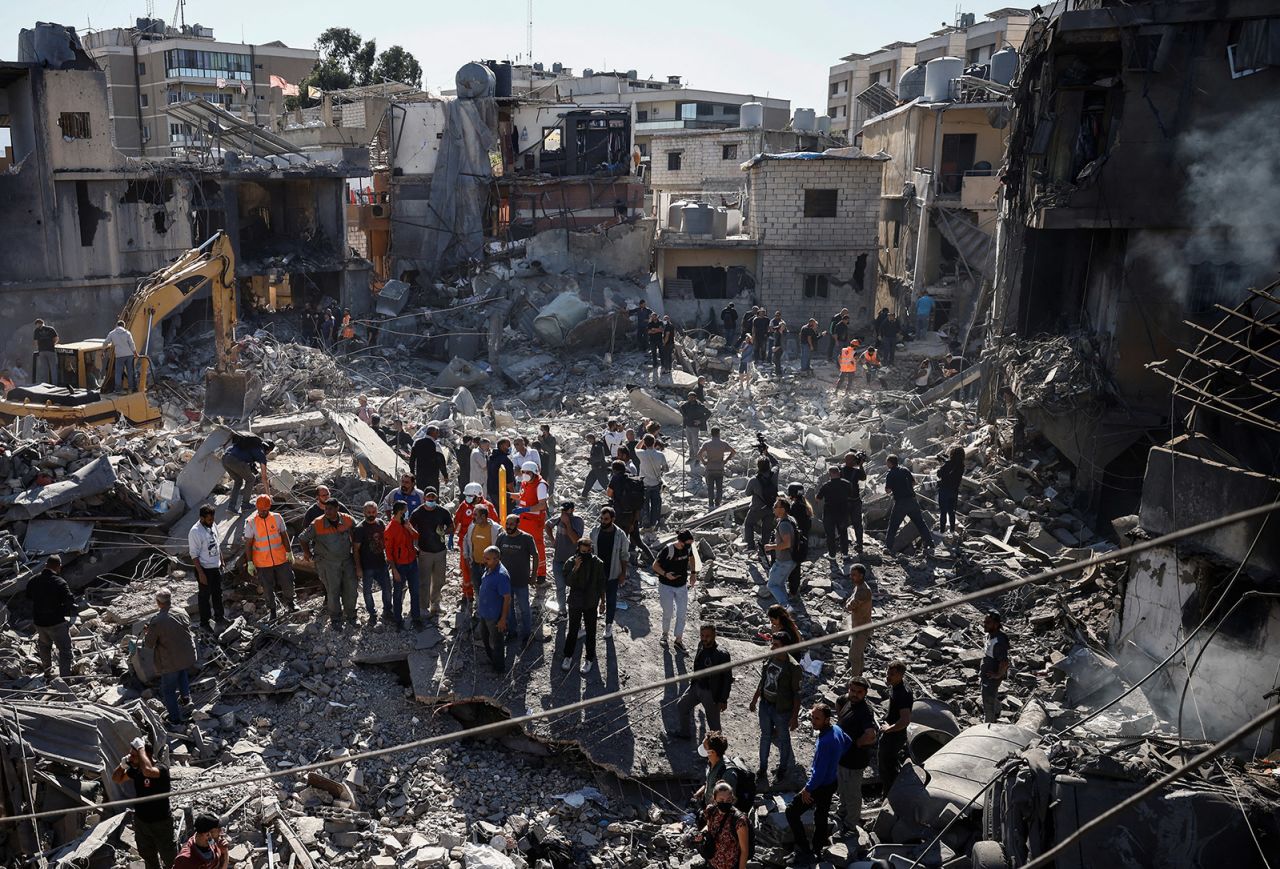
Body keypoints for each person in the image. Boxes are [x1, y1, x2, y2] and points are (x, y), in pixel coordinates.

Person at [785, 703, 850, 862]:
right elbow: (847, 743)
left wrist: (807, 789)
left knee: (791, 812)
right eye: (812, 717)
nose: (813, 721)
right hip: (831, 782)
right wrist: (835, 760)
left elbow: (818, 773)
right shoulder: (837, 730)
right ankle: (818, 848)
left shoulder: (825, 741)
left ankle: (803, 849)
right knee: (821, 815)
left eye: (817, 718)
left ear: (827, 719)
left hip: (819, 785)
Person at [112, 740, 175, 869]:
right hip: (142, 822)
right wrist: (122, 766)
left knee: (170, 858)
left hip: (161, 823)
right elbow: (116, 779)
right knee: (148, 857)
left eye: (134, 755)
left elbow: (148, 771)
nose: (131, 757)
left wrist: (140, 748)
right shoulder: (137, 770)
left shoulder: (161, 769)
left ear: (145, 754)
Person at [749, 631, 802, 785]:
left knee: (784, 740)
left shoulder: (793, 667)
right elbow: (763, 681)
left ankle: (782, 770)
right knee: (765, 736)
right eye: (772, 643)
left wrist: (794, 717)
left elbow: (797, 694)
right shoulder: (770, 658)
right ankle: (762, 769)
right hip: (765, 705)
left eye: (776, 645)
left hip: (782, 710)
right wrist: (754, 699)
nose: (772, 647)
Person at [300, 500, 360, 630]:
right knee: (333, 591)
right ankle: (336, 618)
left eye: (330, 509)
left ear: (337, 508)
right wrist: (307, 554)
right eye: (326, 509)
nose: (327, 511)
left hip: (346, 560)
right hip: (328, 563)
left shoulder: (348, 520)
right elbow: (302, 538)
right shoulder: (317, 523)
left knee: (351, 588)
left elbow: (357, 536)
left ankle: (351, 615)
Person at [145, 587, 197, 725]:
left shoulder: (157, 621)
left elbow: (149, 644)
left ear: (158, 602)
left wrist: (148, 631)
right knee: (182, 673)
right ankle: (186, 699)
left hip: (170, 661)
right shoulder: (182, 611)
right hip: (187, 655)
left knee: (168, 690)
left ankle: (174, 719)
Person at [835, 679, 878, 832]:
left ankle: (850, 823)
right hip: (843, 757)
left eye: (859, 692)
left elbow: (871, 735)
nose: (855, 694)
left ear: (865, 694)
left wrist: (858, 743)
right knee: (843, 787)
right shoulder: (848, 702)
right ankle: (842, 811)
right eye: (852, 691)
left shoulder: (864, 711)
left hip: (855, 760)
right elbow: (839, 707)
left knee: (852, 792)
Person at [675, 623, 732, 738]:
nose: (704, 638)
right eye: (702, 635)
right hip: (697, 687)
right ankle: (685, 734)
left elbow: (727, 679)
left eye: (707, 636)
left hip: (711, 694)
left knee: (714, 725)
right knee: (682, 706)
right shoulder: (701, 645)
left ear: (714, 635)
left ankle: (717, 750)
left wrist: (723, 700)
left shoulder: (722, 654)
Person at [243, 495, 296, 617]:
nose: (263, 512)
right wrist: (250, 562)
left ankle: (291, 603)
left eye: (265, 510)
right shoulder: (251, 522)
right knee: (267, 588)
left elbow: (284, 535)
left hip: (281, 558)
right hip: (262, 562)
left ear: (269, 507)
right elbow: (248, 544)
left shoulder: (277, 518)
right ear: (257, 508)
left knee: (288, 582)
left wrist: (289, 552)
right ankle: (272, 610)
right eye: (261, 510)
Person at [560, 534, 605, 674]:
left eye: (587, 552)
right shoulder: (571, 561)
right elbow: (567, 582)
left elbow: (601, 584)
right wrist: (576, 568)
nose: (584, 554)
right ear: (578, 549)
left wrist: (603, 602)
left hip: (591, 602)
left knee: (591, 631)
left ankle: (589, 659)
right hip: (575, 601)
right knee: (573, 630)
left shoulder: (598, 563)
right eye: (582, 551)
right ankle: (568, 656)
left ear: (591, 550)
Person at [409, 489, 453, 627]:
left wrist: (444, 532)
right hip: (424, 552)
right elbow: (409, 527)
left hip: (440, 551)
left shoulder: (443, 512)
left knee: (439, 580)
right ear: (424, 498)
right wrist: (415, 542)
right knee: (424, 581)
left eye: (433, 498)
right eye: (429, 497)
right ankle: (423, 607)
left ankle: (435, 604)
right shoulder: (417, 513)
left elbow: (451, 526)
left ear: (437, 498)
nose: (431, 500)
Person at [26, 554, 74, 679]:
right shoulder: (60, 582)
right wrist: (64, 611)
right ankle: (65, 678)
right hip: (56, 622)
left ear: (46, 565)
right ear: (59, 567)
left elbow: (28, 597)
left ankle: (47, 673)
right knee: (64, 650)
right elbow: (70, 601)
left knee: (44, 647)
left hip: (39, 622)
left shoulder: (33, 580)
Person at [591, 505, 630, 638]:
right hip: (597, 573)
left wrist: (623, 573)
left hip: (613, 573)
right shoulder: (595, 531)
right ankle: (591, 623)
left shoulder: (620, 535)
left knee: (611, 600)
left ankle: (608, 625)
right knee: (593, 599)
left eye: (606, 519)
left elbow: (624, 556)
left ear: (612, 519)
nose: (603, 521)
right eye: (601, 518)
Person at [497, 513, 538, 641]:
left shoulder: (526, 538)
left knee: (524, 608)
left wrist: (534, 575)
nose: (508, 527)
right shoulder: (502, 537)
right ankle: (512, 631)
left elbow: (535, 556)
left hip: (521, 580)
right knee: (508, 609)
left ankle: (527, 633)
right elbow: (496, 554)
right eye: (507, 524)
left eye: (511, 524)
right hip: (505, 581)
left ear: (518, 524)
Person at [654, 529, 697, 649]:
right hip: (666, 586)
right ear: (680, 541)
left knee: (682, 613)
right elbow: (655, 566)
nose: (690, 545)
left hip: (681, 586)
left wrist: (693, 573)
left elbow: (692, 558)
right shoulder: (669, 549)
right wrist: (666, 574)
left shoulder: (688, 548)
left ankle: (678, 639)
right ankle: (665, 635)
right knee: (668, 612)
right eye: (688, 543)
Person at [353, 501, 392, 628]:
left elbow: (386, 542)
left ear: (377, 512)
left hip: (381, 563)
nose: (371, 515)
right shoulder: (359, 529)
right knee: (367, 592)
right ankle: (372, 614)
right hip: (367, 566)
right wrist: (358, 567)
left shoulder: (381, 524)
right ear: (364, 513)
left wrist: (390, 559)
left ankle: (387, 611)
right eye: (369, 512)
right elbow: (356, 550)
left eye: (373, 512)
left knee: (387, 588)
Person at [884, 455, 934, 555]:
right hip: (912, 501)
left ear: (890, 463)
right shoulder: (905, 470)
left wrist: (894, 488)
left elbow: (888, 490)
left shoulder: (890, 474)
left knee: (893, 525)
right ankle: (930, 544)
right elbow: (914, 482)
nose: (886, 464)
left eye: (887, 462)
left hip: (901, 503)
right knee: (920, 523)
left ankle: (888, 547)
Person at [454, 482, 495, 605]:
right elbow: (456, 520)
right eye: (467, 496)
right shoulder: (464, 506)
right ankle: (467, 594)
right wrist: (452, 535)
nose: (468, 499)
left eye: (470, 497)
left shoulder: (488, 507)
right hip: (465, 542)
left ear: (478, 496)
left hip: (482, 543)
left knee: (484, 568)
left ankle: (484, 594)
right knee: (466, 568)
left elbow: (495, 525)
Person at [187, 504, 225, 630]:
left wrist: (221, 560)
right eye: (209, 519)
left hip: (215, 567)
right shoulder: (195, 532)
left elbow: (217, 543)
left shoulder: (213, 525)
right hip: (204, 570)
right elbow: (194, 555)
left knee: (217, 594)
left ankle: (220, 617)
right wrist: (201, 573)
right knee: (204, 597)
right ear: (202, 518)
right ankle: (205, 622)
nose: (212, 522)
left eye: (212, 519)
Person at [382, 501, 419, 630]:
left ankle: (416, 618)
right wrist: (394, 571)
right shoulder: (390, 529)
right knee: (398, 593)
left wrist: (409, 527)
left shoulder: (406, 524)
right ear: (400, 512)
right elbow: (389, 552)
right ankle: (398, 620)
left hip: (412, 563)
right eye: (405, 510)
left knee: (415, 592)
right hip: (400, 566)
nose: (407, 512)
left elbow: (416, 536)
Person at [878, 661, 914, 791]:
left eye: (892, 674)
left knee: (887, 766)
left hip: (894, 735)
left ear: (901, 675)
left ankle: (889, 796)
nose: (888, 676)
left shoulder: (903, 693)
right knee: (887, 764)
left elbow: (905, 720)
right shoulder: (896, 685)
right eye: (888, 672)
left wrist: (889, 729)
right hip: (892, 729)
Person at [512, 460, 550, 581]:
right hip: (524, 520)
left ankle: (541, 574)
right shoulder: (525, 482)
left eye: (528, 472)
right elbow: (522, 495)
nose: (525, 474)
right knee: (522, 546)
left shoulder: (541, 485)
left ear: (534, 473)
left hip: (534, 521)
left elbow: (542, 505)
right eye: (523, 472)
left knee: (537, 547)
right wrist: (508, 494)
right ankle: (524, 571)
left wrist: (524, 509)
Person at [477, 546, 511, 672]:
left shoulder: (502, 575)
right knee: (485, 638)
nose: (484, 560)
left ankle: (499, 669)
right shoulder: (489, 568)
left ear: (497, 559)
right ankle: (492, 659)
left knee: (497, 643)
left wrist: (503, 619)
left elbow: (507, 598)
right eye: (484, 557)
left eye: (487, 558)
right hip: (484, 614)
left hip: (494, 616)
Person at [701, 781, 750, 869]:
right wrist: (702, 834)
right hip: (712, 862)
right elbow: (709, 827)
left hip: (729, 865)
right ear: (715, 799)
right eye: (721, 800)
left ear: (732, 798)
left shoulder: (739, 820)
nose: (725, 802)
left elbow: (744, 850)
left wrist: (742, 867)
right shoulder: (711, 811)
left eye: (728, 800)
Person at [463, 506, 501, 615]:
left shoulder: (495, 529)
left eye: (475, 514)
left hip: (489, 567)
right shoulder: (472, 526)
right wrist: (466, 556)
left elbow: (500, 549)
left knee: (490, 590)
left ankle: (492, 612)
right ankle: (481, 609)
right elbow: (466, 540)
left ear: (483, 516)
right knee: (477, 588)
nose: (472, 516)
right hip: (475, 564)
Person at [549, 501, 585, 614]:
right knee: (560, 588)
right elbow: (547, 525)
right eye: (562, 510)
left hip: (573, 562)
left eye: (566, 510)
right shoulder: (559, 518)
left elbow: (575, 539)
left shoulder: (578, 521)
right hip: (558, 560)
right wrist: (552, 539)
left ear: (572, 510)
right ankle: (562, 611)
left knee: (574, 588)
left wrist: (568, 524)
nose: (563, 512)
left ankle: (575, 612)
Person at [220, 435, 272, 514]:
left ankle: (231, 507)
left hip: (225, 459)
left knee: (238, 481)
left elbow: (244, 457)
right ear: (268, 450)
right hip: (234, 460)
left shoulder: (250, 445)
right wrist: (268, 495)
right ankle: (245, 504)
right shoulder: (261, 454)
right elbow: (264, 477)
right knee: (251, 479)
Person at [743, 453, 779, 554]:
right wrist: (767, 453)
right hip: (772, 507)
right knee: (766, 528)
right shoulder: (774, 474)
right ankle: (764, 548)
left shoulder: (754, 479)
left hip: (757, 508)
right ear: (769, 465)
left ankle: (750, 546)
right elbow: (776, 464)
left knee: (749, 524)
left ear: (758, 466)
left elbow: (747, 493)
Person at [816, 466, 854, 561]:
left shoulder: (826, 485)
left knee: (830, 535)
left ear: (829, 474)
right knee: (843, 533)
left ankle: (832, 555)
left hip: (829, 513)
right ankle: (845, 554)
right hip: (842, 512)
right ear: (839, 473)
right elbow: (851, 495)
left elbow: (818, 498)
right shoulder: (847, 484)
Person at [763, 499, 795, 608]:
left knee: (771, 585)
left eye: (775, 506)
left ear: (782, 509)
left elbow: (787, 544)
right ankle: (786, 607)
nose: (773, 509)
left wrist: (771, 546)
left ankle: (786, 607)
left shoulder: (784, 525)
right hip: (789, 559)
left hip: (784, 560)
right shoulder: (789, 520)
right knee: (779, 584)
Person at [981, 612, 1011, 723]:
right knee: (988, 697)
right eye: (984, 622)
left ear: (996, 624)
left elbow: (1004, 661)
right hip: (987, 674)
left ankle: (988, 726)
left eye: (988, 623)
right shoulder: (990, 635)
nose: (985, 625)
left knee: (988, 702)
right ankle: (995, 713)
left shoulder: (999, 641)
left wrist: (998, 674)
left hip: (991, 678)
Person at [844, 564, 873, 678]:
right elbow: (850, 600)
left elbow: (850, 606)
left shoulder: (863, 591)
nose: (851, 577)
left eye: (854, 575)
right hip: (857, 626)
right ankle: (859, 675)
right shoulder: (858, 587)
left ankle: (855, 680)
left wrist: (847, 604)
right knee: (858, 653)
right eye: (851, 574)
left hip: (862, 628)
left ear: (861, 576)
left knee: (854, 656)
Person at [696, 428, 736, 509]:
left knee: (710, 488)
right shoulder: (723, 443)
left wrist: (704, 462)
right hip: (719, 468)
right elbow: (733, 452)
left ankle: (711, 505)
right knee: (719, 488)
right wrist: (726, 460)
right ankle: (717, 503)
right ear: (719, 433)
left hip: (710, 468)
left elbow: (699, 454)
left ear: (711, 434)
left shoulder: (707, 444)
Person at [636, 433, 669, 530]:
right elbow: (666, 469)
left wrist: (642, 440)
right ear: (654, 442)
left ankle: (645, 525)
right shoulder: (660, 455)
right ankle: (653, 524)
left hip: (644, 484)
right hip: (656, 484)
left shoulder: (641, 454)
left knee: (644, 506)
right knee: (656, 505)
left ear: (645, 443)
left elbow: (636, 447)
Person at [785, 484, 811, 597]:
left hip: (796, 540)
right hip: (803, 540)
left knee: (793, 566)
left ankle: (793, 591)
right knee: (797, 565)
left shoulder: (795, 507)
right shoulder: (805, 505)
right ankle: (794, 589)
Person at [840, 452, 868, 553]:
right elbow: (864, 477)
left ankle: (843, 545)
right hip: (855, 501)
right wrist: (861, 465)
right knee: (857, 524)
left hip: (843, 502)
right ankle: (859, 545)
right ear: (852, 461)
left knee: (842, 524)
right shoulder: (856, 472)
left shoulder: (840, 470)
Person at [411, 424, 449, 497]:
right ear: (433, 433)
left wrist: (412, 473)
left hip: (420, 476)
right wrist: (445, 475)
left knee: (422, 496)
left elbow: (412, 459)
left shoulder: (417, 442)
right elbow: (441, 461)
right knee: (432, 496)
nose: (438, 435)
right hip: (432, 477)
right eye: (437, 433)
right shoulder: (435, 445)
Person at [102, 319, 139, 392]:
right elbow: (132, 344)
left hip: (119, 356)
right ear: (123, 326)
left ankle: (118, 389)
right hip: (129, 355)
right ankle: (131, 388)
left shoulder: (112, 333)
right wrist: (136, 353)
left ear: (117, 325)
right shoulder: (127, 333)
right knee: (130, 371)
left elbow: (106, 342)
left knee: (118, 372)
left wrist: (103, 351)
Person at [937, 446, 965, 535]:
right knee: (952, 511)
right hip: (954, 491)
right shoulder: (961, 466)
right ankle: (952, 531)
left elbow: (939, 474)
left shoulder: (947, 464)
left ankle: (942, 531)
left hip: (944, 490)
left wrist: (942, 464)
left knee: (943, 512)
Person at [679, 392, 711, 459]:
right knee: (689, 443)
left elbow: (708, 413)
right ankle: (691, 456)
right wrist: (685, 416)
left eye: (692, 397)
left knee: (695, 444)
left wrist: (700, 420)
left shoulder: (699, 406)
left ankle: (698, 458)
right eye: (689, 397)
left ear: (695, 398)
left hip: (695, 427)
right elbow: (681, 409)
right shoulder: (686, 405)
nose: (691, 399)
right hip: (687, 426)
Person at [487, 437, 516, 508]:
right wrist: (513, 494)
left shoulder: (491, 458)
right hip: (504, 492)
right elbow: (509, 481)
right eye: (508, 445)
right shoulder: (505, 461)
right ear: (502, 446)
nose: (509, 448)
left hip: (492, 491)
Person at [582, 433, 611, 500]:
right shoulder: (596, 445)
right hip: (595, 468)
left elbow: (598, 458)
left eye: (589, 440)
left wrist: (588, 459)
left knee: (605, 484)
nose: (588, 442)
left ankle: (615, 497)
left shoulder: (597, 446)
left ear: (592, 438)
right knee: (589, 481)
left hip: (600, 468)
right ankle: (584, 495)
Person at [32, 318, 59, 385]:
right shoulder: (51, 329)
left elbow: (35, 342)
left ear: (38, 324)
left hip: (42, 351)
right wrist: (52, 344)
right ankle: (55, 384)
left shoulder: (36, 331)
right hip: (50, 350)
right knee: (53, 368)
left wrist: (38, 348)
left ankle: (45, 384)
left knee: (44, 368)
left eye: (37, 324)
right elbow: (56, 338)